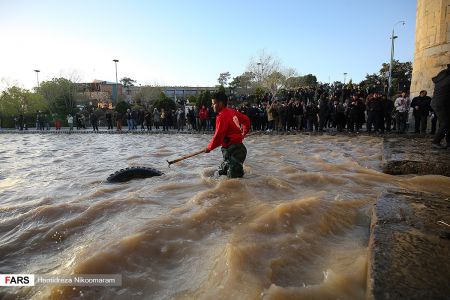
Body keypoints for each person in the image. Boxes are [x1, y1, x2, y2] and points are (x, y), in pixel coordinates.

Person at [204, 91, 250, 178]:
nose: (212, 106)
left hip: (235, 150)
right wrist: (244, 132)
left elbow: (218, 136)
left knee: (234, 177)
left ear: (220, 103)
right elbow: (246, 120)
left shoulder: (222, 117)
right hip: (235, 149)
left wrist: (209, 148)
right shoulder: (231, 111)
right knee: (222, 171)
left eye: (213, 103)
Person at [430, 64, 450, 149]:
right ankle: (436, 141)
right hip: (441, 104)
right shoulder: (447, 79)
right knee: (446, 123)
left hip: (440, 103)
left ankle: (449, 142)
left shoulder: (442, 77)